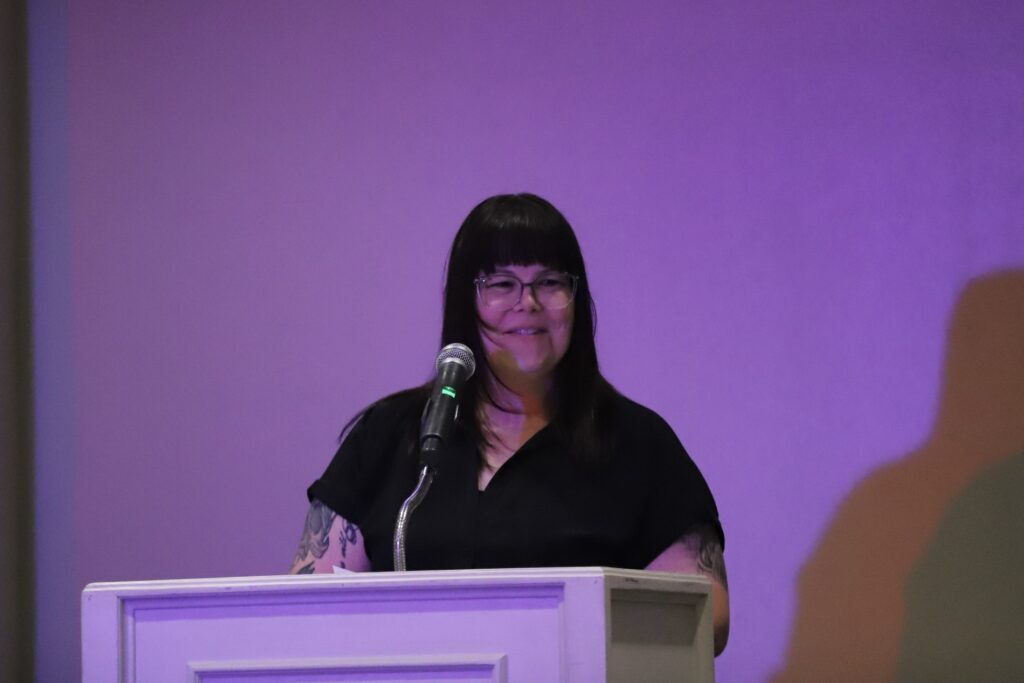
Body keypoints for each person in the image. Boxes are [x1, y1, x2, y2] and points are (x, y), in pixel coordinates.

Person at [289, 193, 730, 654]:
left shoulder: (638, 444)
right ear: (465, 301)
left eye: (550, 282)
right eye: (502, 284)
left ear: (576, 301)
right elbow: (306, 605)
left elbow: (705, 616)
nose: (529, 302)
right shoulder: (389, 434)